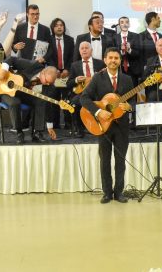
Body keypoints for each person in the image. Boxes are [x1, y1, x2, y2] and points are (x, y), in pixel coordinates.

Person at [80, 48, 135, 204]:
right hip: (103, 126)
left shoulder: (128, 79)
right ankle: (106, 193)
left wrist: (129, 107)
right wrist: (98, 112)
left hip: (122, 127)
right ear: (105, 60)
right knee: (105, 160)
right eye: (110, 57)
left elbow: (133, 100)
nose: (113, 60)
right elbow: (84, 99)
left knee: (120, 160)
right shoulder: (98, 78)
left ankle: (119, 193)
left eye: (116, 58)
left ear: (120, 60)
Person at [0, 57, 59, 144]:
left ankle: (37, 133)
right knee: (15, 103)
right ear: (43, 73)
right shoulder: (33, 65)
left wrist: (50, 126)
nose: (47, 84)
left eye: (49, 83)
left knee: (41, 101)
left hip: (23, 93)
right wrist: (3, 70)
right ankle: (19, 132)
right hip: (6, 89)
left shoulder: (49, 86)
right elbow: (12, 59)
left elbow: (48, 103)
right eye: (46, 81)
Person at [67, 42, 105, 138]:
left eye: (86, 48)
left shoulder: (100, 63)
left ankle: (103, 127)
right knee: (74, 103)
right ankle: (78, 130)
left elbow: (106, 79)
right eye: (82, 48)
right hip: (83, 93)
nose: (84, 50)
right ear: (79, 52)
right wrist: (76, 79)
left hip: (98, 92)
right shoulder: (74, 65)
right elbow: (68, 83)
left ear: (91, 51)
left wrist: (99, 77)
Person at [46, 18, 76, 130]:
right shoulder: (48, 40)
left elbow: (72, 57)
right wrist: (55, 69)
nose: (59, 27)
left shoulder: (70, 40)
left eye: (61, 25)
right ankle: (55, 124)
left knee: (66, 99)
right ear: (53, 28)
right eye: (57, 25)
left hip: (66, 74)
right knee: (54, 98)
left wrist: (67, 69)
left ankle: (68, 123)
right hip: (53, 74)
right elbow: (47, 56)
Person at [113, 16, 143, 87]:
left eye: (127, 22)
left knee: (133, 90)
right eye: (122, 22)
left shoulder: (136, 36)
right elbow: (112, 53)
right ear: (119, 25)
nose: (124, 24)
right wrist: (122, 51)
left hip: (133, 70)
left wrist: (129, 50)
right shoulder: (114, 37)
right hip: (119, 69)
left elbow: (139, 53)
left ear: (129, 24)